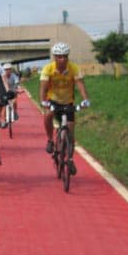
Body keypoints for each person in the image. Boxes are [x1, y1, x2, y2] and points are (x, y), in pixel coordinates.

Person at [39, 42, 90, 175]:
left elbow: (80, 84)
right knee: (48, 115)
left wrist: (85, 99)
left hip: (68, 102)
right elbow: (43, 88)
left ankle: (70, 159)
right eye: (59, 57)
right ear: (55, 57)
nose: (63, 59)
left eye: (65, 56)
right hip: (53, 100)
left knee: (71, 133)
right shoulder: (48, 69)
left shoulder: (74, 68)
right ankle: (50, 140)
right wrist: (43, 101)